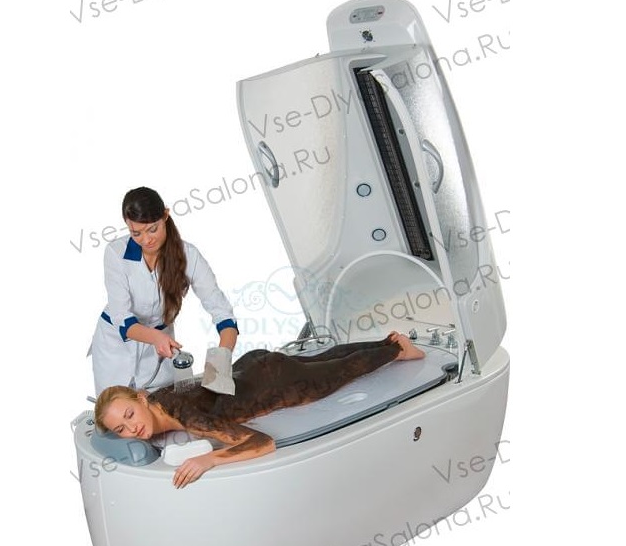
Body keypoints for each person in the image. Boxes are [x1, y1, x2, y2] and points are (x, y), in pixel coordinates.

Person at [95, 332, 426, 488]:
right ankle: (386, 341)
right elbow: (208, 383)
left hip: (278, 384)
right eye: (121, 429)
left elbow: (262, 442)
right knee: (322, 361)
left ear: (141, 398)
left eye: (129, 415)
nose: (132, 429)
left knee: (341, 371)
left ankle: (398, 350)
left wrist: (209, 459)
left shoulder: (183, 414)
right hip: (251, 367)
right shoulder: (160, 397)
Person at [90, 187, 238, 395]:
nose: (146, 240)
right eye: (136, 233)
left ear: (166, 215)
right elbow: (121, 317)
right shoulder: (115, 253)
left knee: (162, 406)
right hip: (115, 348)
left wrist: (221, 360)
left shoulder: (189, 256)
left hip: (161, 348)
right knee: (116, 409)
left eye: (153, 229)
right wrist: (155, 338)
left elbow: (223, 313)